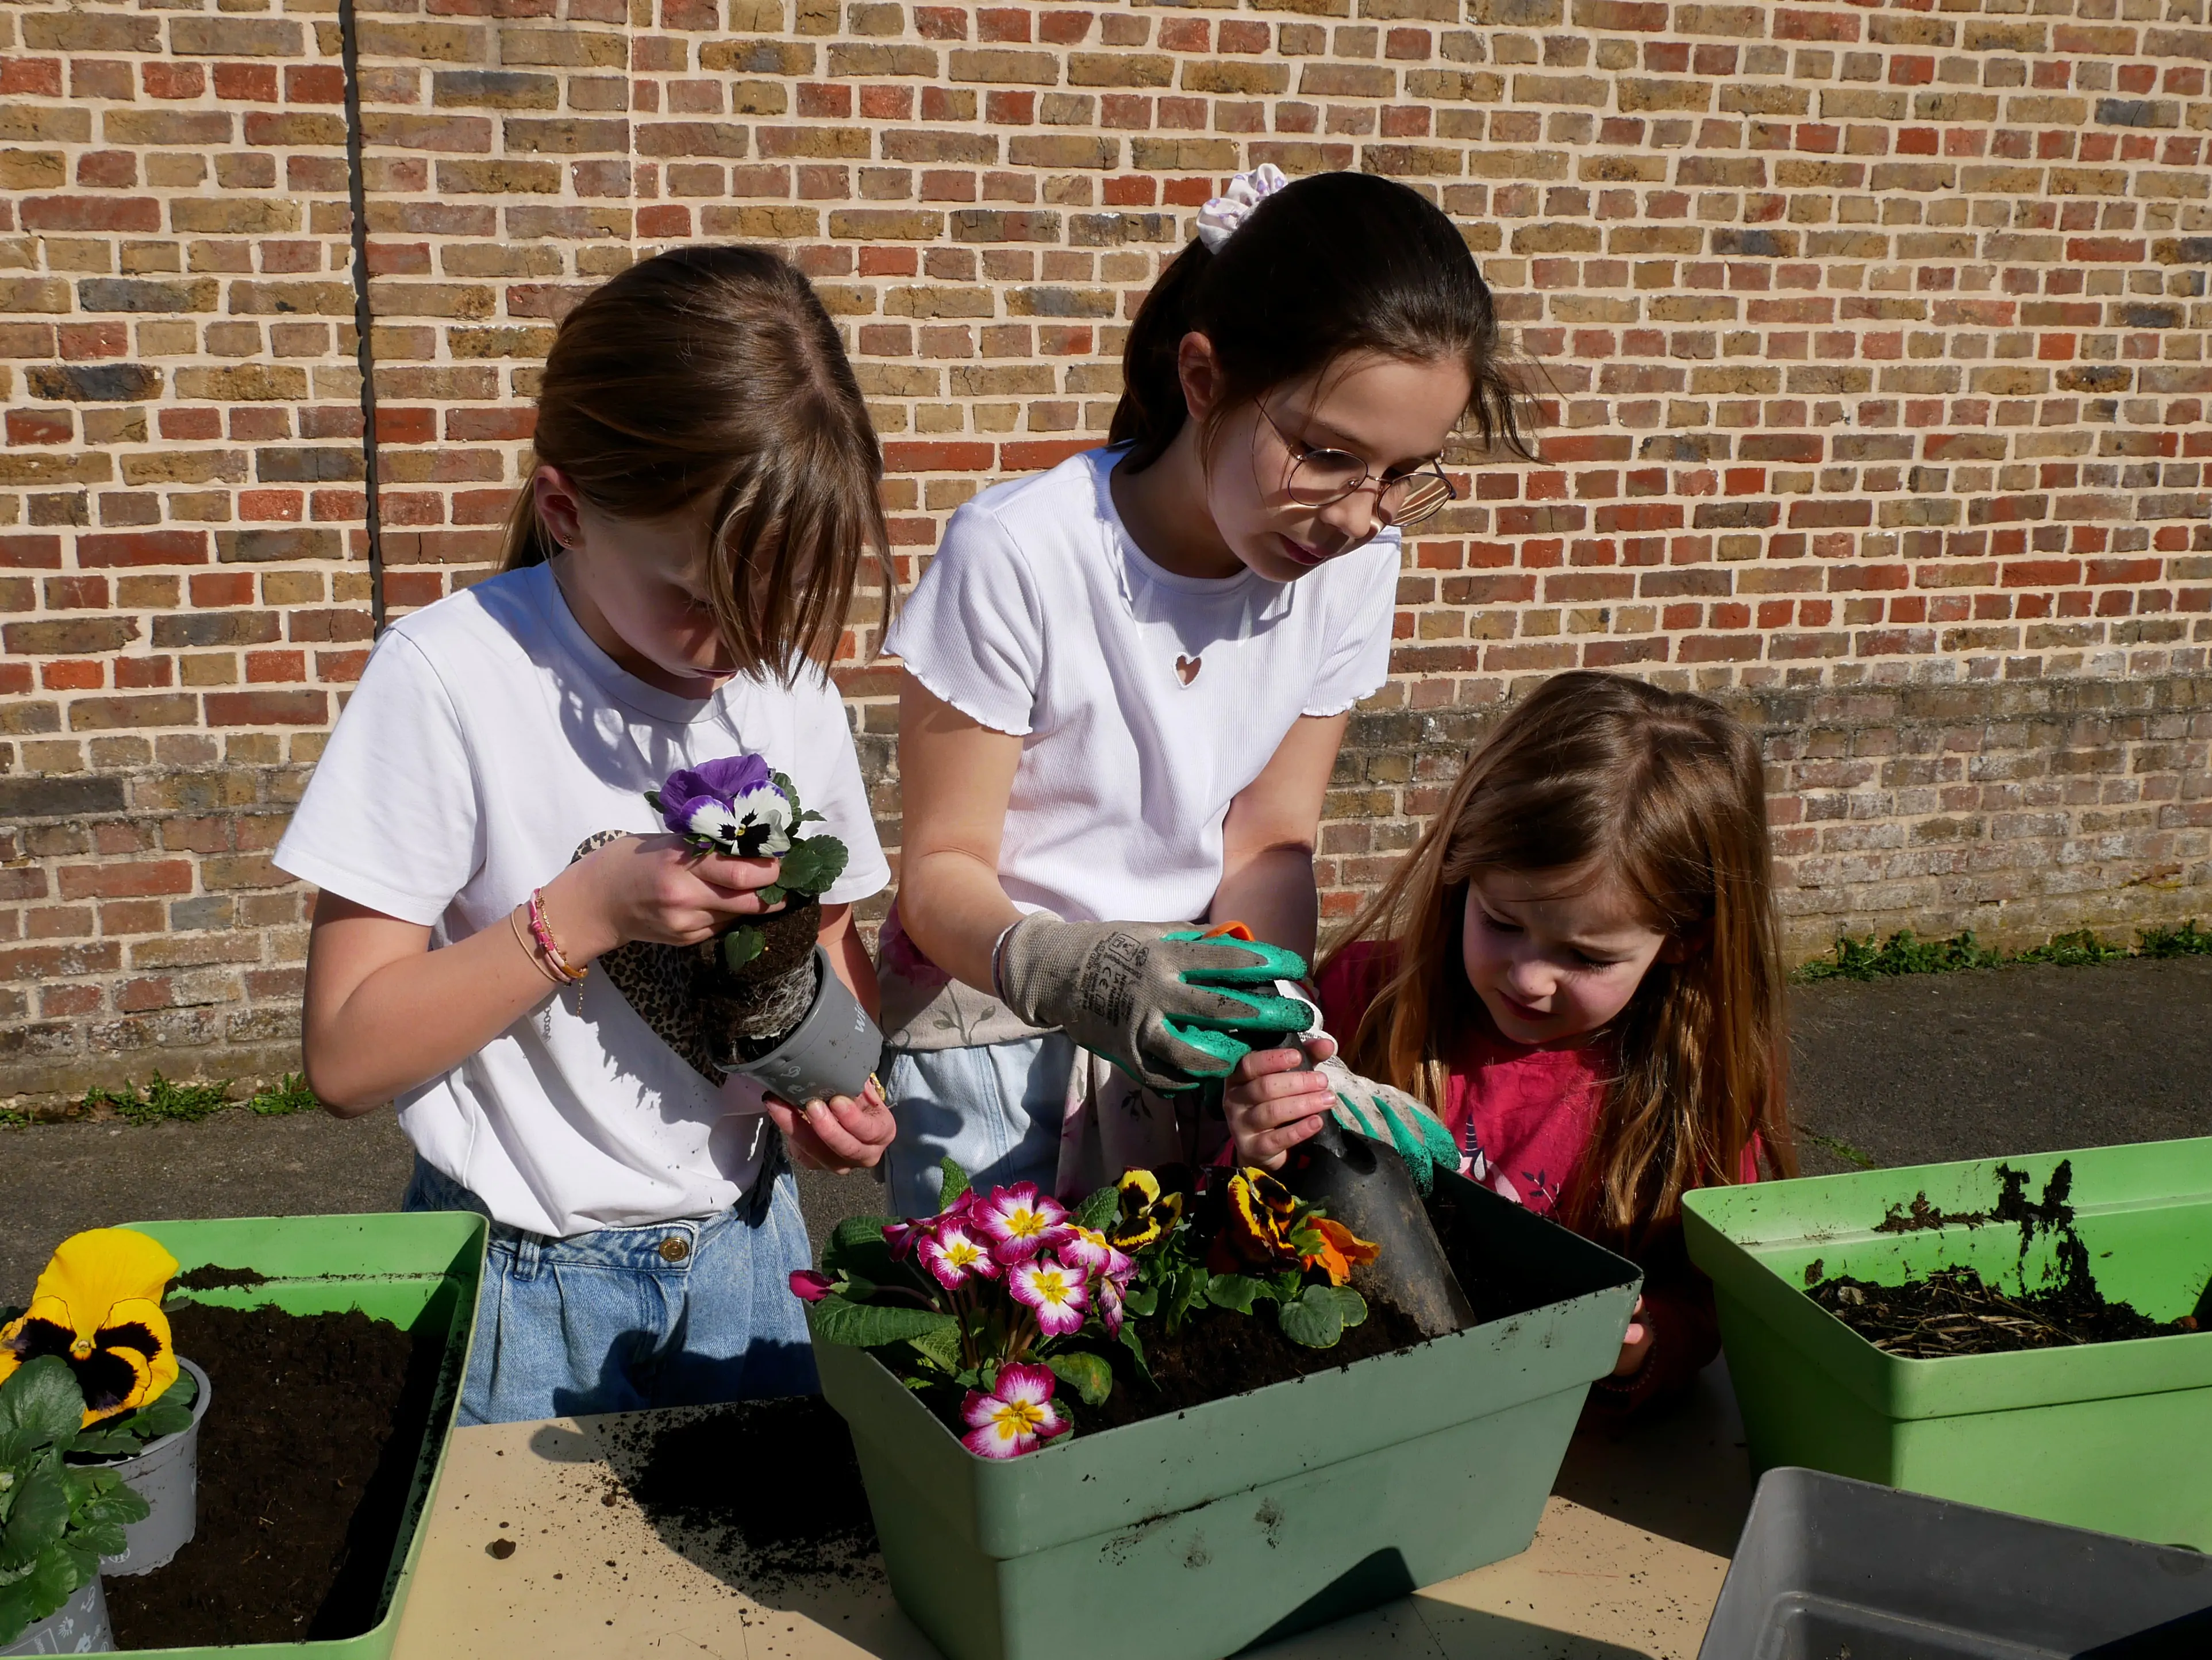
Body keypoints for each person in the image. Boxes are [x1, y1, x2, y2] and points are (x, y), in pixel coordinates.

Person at [278, 246, 898, 1424]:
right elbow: (348, 1056)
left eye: (780, 601)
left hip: (746, 1257)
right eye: (704, 599)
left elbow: (827, 948)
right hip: (518, 1295)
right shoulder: (450, 677)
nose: (742, 644)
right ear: (565, 509)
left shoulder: (790, 692)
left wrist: (835, 1093)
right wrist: (588, 912)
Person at [878, 165, 1529, 1217]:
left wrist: (1272, 1014)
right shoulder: (1020, 553)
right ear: (1203, 378)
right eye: (1328, 454)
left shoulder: (1352, 563)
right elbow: (942, 872)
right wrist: (1079, 973)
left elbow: (1271, 837)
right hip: (996, 1039)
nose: (1362, 514)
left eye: (1405, 471)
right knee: (1005, 1364)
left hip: (1187, 1031)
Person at [1224, 671, 1796, 1412]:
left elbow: (1716, 1307)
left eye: (1587, 957)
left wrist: (1642, 1346)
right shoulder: (1363, 1003)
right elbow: (1257, 1230)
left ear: (1684, 940)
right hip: (1358, 1415)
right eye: (1501, 922)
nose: (1529, 978)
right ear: (1464, 869)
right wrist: (1261, 1149)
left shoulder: (1698, 1093)